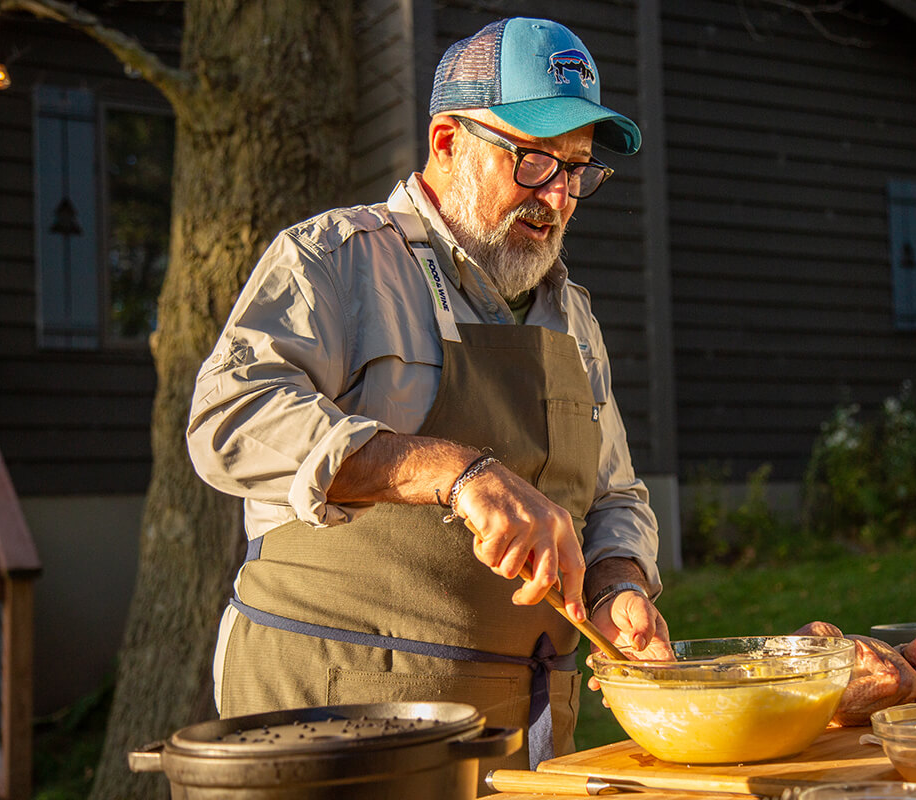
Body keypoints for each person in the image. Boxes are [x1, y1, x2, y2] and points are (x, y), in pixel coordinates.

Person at [185, 16, 671, 774]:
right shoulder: (335, 259)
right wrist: (453, 471)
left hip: (525, 739)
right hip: (336, 728)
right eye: (536, 161)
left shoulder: (572, 314)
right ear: (447, 143)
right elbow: (227, 417)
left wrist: (618, 584)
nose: (560, 198)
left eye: (578, 170)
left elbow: (615, 496)